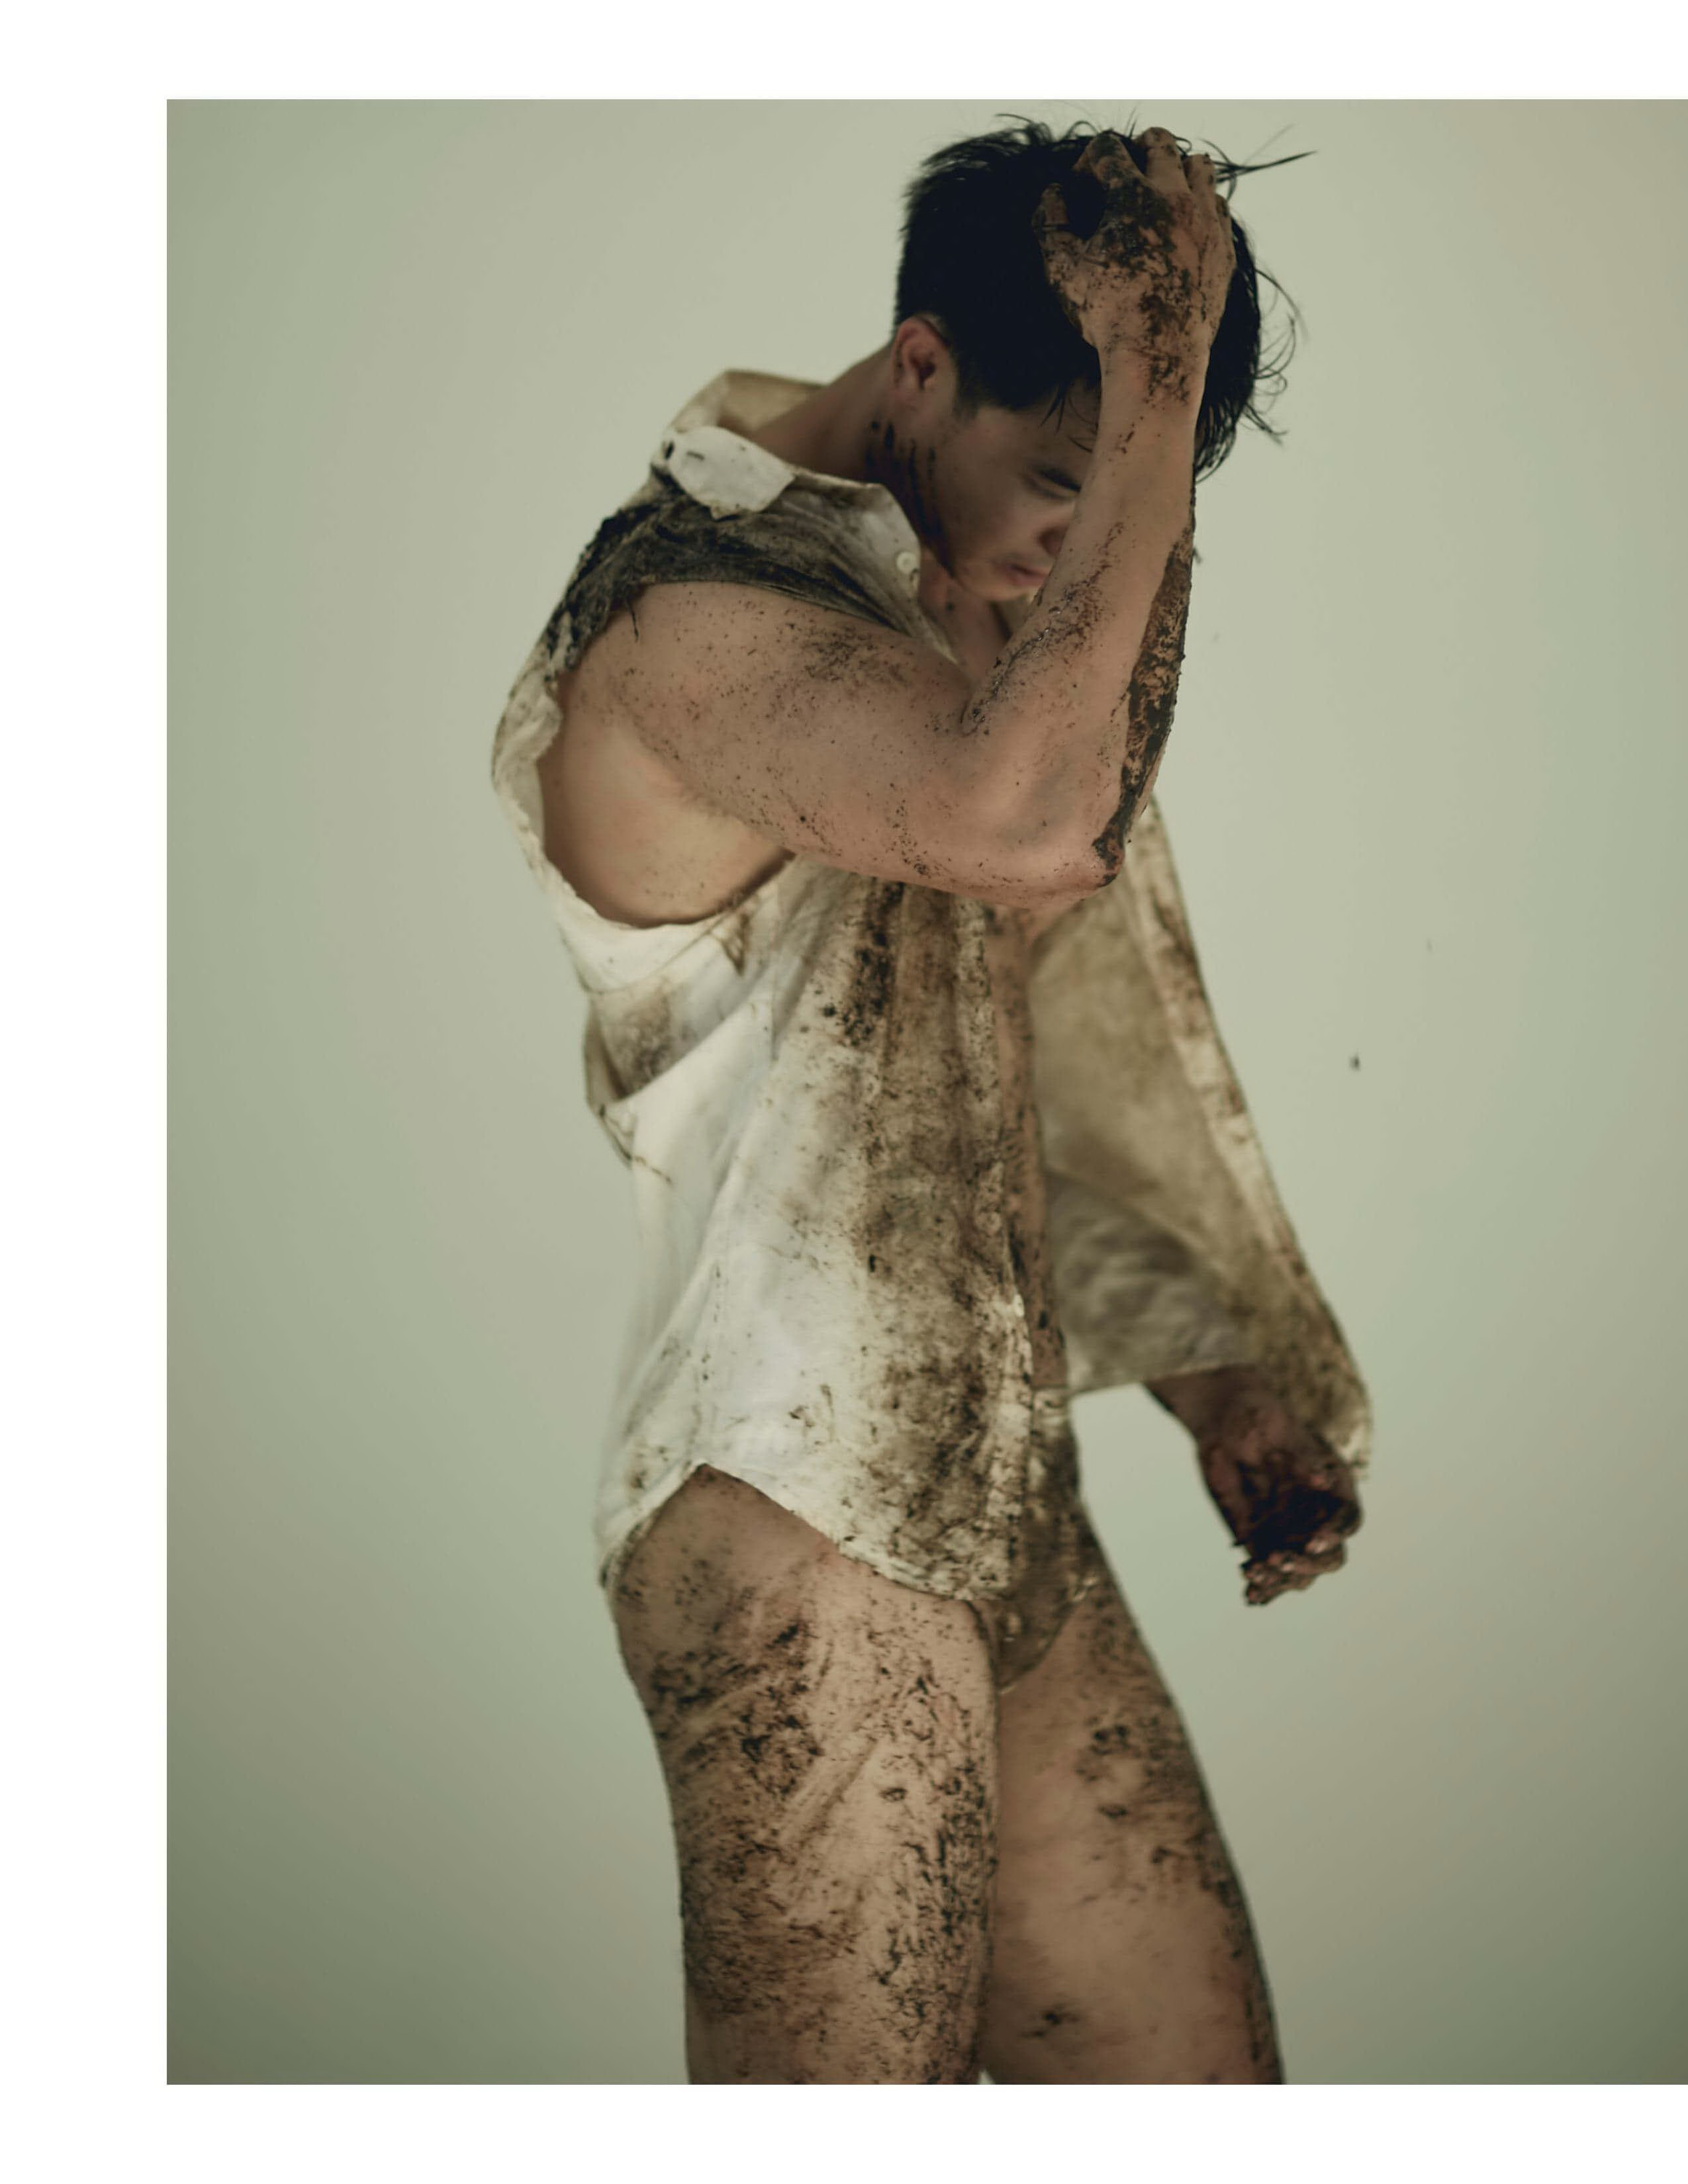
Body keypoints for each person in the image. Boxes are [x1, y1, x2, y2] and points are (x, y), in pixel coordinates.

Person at [489, 116, 1370, 2084]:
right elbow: (1029, 821)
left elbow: (975, 1075)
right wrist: (1155, 387)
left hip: (995, 1487)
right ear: (919, 368)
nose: (1093, 547)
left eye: (1127, 496)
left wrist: (1210, 1371)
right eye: (1067, 481)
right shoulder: (685, 623)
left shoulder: (949, 610)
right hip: (788, 1506)